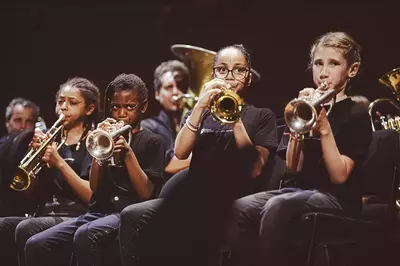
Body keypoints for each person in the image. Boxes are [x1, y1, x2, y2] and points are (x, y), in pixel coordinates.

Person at [118, 44, 278, 266]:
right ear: (214, 75)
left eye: (238, 70)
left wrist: (235, 119)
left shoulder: (262, 116)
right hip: (194, 194)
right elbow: (181, 153)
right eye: (222, 69)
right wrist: (199, 107)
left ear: (248, 77)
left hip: (232, 195)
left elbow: (256, 167)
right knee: (132, 214)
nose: (230, 76)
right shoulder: (203, 114)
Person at [226, 31, 373, 266]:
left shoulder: (357, 115)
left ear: (352, 70)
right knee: (240, 208)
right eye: (318, 63)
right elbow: (293, 168)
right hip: (301, 191)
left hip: (338, 199)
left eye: (333, 63)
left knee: (277, 207)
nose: (323, 71)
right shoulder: (308, 107)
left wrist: (324, 129)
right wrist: (298, 127)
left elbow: (339, 176)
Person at [24, 73, 165, 266]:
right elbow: (95, 188)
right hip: (98, 212)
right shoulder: (101, 136)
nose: (122, 113)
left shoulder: (153, 141)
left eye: (130, 107)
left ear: (144, 107)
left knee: (85, 235)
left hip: (127, 213)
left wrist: (128, 154)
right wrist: (99, 150)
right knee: (36, 244)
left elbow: (146, 193)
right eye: (116, 107)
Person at [0, 78, 100, 266]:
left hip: (78, 215)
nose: (64, 107)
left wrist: (59, 162)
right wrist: (34, 168)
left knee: (26, 228)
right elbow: (31, 194)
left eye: (73, 102)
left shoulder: (95, 142)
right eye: (60, 101)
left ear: (89, 109)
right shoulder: (50, 140)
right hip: (45, 212)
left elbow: (91, 197)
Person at [141, 60, 191, 177]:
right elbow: (170, 165)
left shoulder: (193, 121)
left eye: (180, 86)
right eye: (169, 87)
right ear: (157, 94)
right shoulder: (148, 127)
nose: (176, 92)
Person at [0, 97, 41, 217]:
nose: (23, 126)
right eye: (18, 120)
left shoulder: (38, 148)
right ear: (7, 123)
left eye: (29, 121)